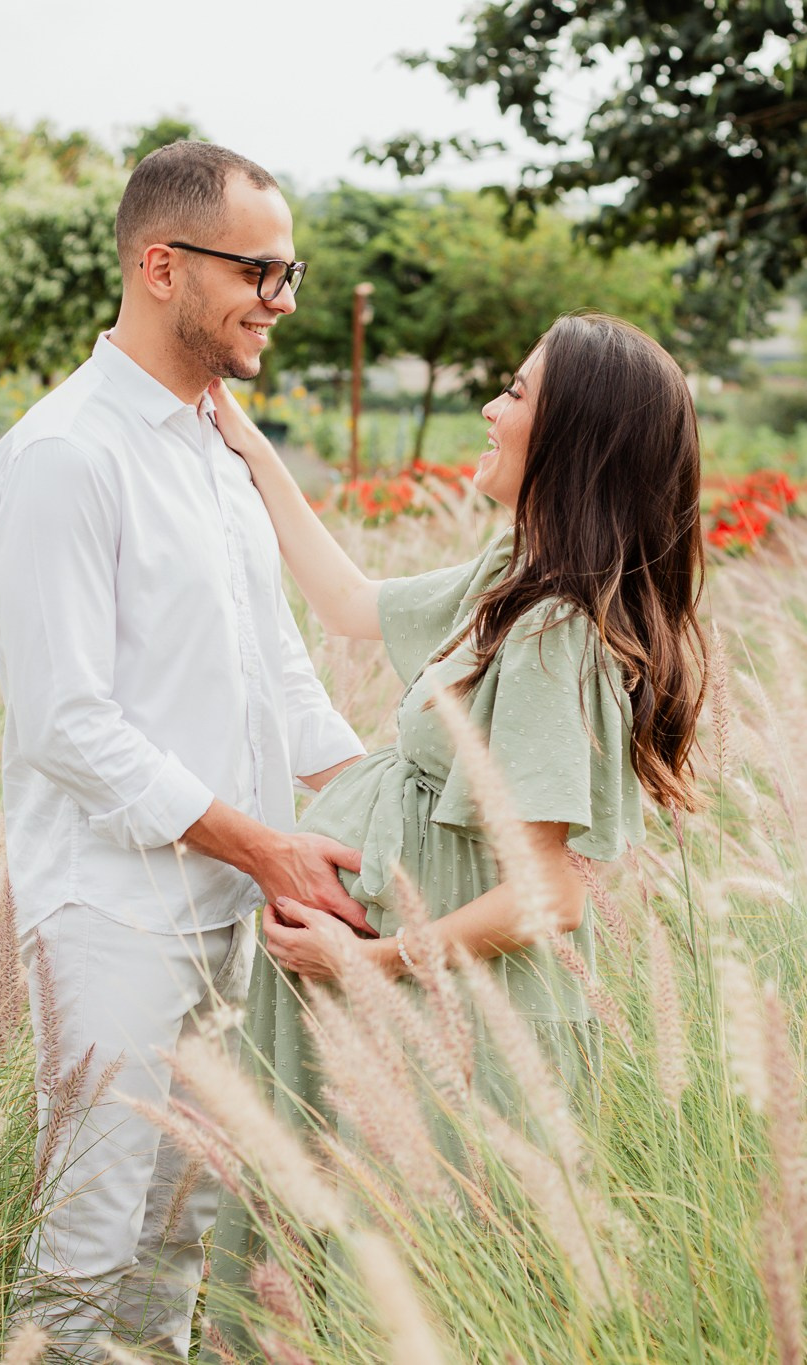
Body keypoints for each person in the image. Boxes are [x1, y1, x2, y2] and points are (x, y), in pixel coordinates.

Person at [201, 311, 707, 1355]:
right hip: (393, 998)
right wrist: (250, 447)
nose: (488, 406)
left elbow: (548, 892)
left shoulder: (557, 632)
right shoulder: (508, 578)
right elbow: (344, 602)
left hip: (448, 1020)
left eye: (516, 394)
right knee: (335, 1282)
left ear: (573, 438)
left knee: (406, 1302)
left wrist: (369, 957)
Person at [0, 142, 368, 1361]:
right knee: (88, 1247)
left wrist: (385, 801)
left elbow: (274, 667)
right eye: (261, 271)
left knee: (182, 1237)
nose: (281, 301)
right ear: (160, 264)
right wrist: (263, 847)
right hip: (110, 917)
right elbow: (65, 719)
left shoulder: (218, 445)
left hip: (232, 913)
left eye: (290, 274)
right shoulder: (64, 454)